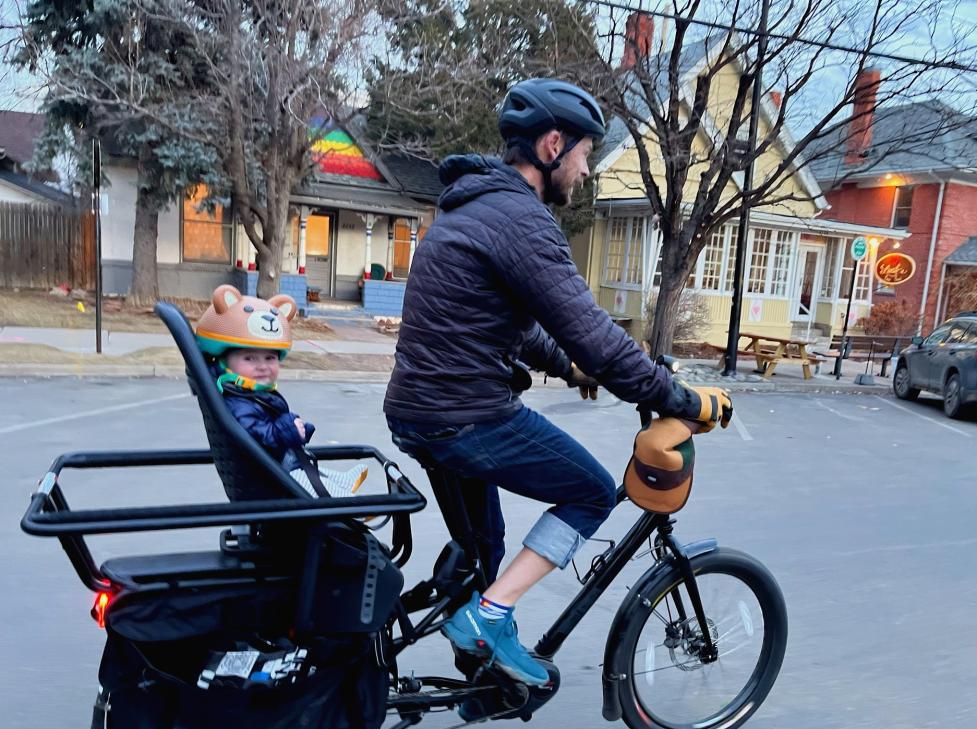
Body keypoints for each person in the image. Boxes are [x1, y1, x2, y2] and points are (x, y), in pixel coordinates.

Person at [383, 78, 732, 687]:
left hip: (418, 412)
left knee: (487, 551)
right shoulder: (520, 219)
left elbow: (512, 328)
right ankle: (488, 619)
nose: (586, 169)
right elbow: (594, 333)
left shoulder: (471, 210)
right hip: (466, 413)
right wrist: (678, 397)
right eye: (584, 153)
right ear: (552, 145)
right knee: (592, 492)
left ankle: (485, 668)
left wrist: (569, 368)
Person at [195, 284, 368, 497]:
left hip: (273, 466)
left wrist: (298, 430)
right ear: (224, 360)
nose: (262, 365)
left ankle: (341, 483)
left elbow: (267, 428)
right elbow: (253, 435)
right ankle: (349, 506)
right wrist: (285, 431)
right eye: (249, 358)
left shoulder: (247, 394)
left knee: (308, 468)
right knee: (302, 478)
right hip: (266, 477)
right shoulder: (236, 401)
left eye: (270, 358)